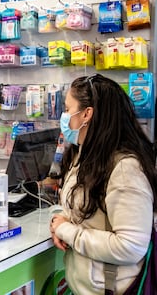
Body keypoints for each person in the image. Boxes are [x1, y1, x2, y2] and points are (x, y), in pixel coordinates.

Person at [49, 74, 157, 294]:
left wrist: (67, 230)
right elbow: (88, 213)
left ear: (87, 114)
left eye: (68, 109)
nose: (64, 116)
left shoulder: (125, 169)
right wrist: (61, 223)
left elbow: (130, 247)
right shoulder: (85, 155)